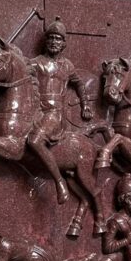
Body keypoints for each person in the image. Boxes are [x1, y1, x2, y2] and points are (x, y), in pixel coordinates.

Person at [27, 18, 93, 204]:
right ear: (46, 41)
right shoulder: (35, 63)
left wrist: (85, 105)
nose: (54, 42)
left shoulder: (67, 66)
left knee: (34, 140)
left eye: (58, 39)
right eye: (51, 38)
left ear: (64, 43)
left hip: (54, 114)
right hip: (34, 110)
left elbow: (79, 84)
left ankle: (59, 181)